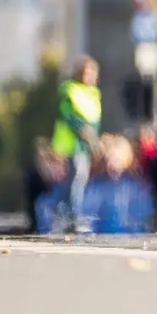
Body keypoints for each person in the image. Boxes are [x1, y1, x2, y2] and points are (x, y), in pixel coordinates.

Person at [51, 58, 102, 235]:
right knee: (76, 178)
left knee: (80, 179)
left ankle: (64, 212)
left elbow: (94, 120)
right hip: (72, 143)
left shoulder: (93, 93)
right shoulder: (69, 89)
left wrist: (94, 141)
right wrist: (82, 129)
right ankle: (71, 215)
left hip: (85, 145)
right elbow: (67, 114)